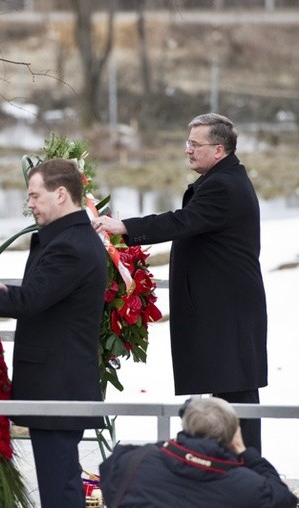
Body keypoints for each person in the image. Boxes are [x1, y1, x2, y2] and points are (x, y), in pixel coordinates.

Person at [91, 113, 267, 451]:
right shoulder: (224, 179)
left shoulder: (223, 186)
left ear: (218, 150)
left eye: (194, 144)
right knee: (229, 394)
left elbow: (182, 221)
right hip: (226, 309)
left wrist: (125, 227)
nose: (187, 150)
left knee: (237, 398)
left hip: (228, 312)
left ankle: (249, 476)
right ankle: (233, 471)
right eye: (187, 143)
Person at [0, 158, 107, 508]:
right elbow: (46, 296)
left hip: (57, 385)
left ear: (61, 194)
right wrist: (3, 291)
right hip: (58, 382)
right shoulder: (69, 238)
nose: (29, 204)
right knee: (58, 480)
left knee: (59, 486)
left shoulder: (70, 245)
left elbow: (31, 301)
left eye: (35, 195)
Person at [99, 397, 297, 507]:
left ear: (186, 426)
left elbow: (109, 475)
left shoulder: (132, 462)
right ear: (232, 436)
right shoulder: (249, 488)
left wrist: (176, 446)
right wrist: (244, 451)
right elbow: (284, 500)